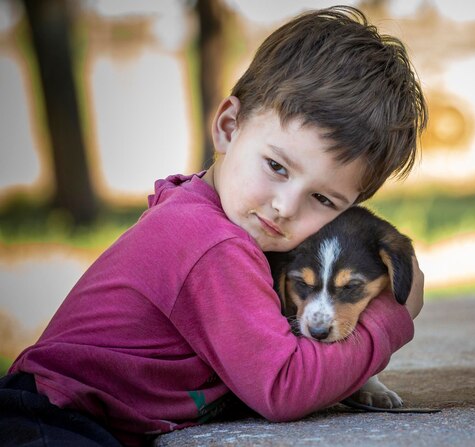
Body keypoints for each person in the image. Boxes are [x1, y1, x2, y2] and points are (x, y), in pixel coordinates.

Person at [0, 5, 427, 446]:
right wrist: (391, 317)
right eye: (277, 166)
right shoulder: (212, 243)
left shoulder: (212, 213)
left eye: (322, 198)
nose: (284, 207)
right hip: (51, 422)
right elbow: (283, 387)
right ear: (227, 127)